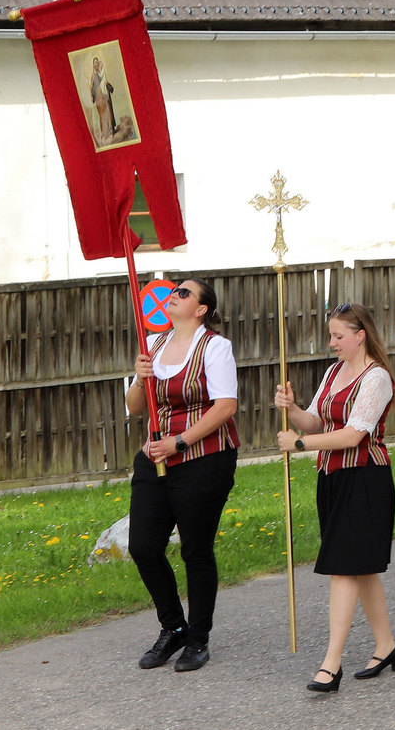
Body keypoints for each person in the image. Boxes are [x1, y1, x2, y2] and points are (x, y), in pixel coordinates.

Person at [275, 304, 395, 693]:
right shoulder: (332, 373)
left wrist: (299, 443)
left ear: (360, 335)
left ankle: (332, 664)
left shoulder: (376, 378)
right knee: (361, 567)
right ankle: (386, 646)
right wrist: (292, 409)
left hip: (365, 479)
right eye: (331, 336)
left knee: (344, 567)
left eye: (339, 336)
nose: (332, 343)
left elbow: (352, 435)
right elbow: (315, 421)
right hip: (330, 478)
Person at [126, 279, 239, 674]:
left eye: (184, 293)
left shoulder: (215, 347)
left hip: (204, 458)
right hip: (154, 457)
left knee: (195, 549)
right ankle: (173, 626)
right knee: (143, 546)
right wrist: (140, 377)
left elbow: (225, 406)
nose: (174, 295)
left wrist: (181, 441)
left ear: (201, 309)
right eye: (174, 290)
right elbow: (135, 407)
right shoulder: (153, 347)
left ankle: (198, 638)